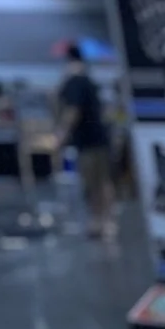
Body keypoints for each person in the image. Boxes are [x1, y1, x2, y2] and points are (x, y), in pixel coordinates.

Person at [54, 52, 116, 238]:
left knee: (92, 183)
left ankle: (98, 221)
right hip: (100, 138)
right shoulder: (90, 82)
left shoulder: (74, 83)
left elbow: (73, 110)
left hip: (87, 142)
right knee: (103, 180)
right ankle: (107, 221)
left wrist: (61, 135)